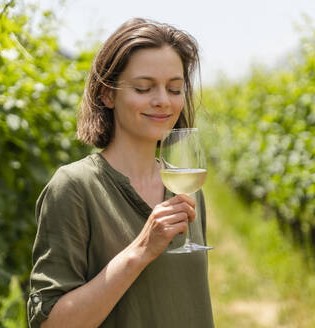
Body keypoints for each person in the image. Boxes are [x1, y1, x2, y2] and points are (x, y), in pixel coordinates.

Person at [27, 18, 214, 328]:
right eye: (143, 88)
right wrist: (141, 250)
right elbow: (51, 323)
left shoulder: (187, 190)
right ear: (107, 95)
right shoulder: (74, 188)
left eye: (175, 88)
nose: (163, 101)